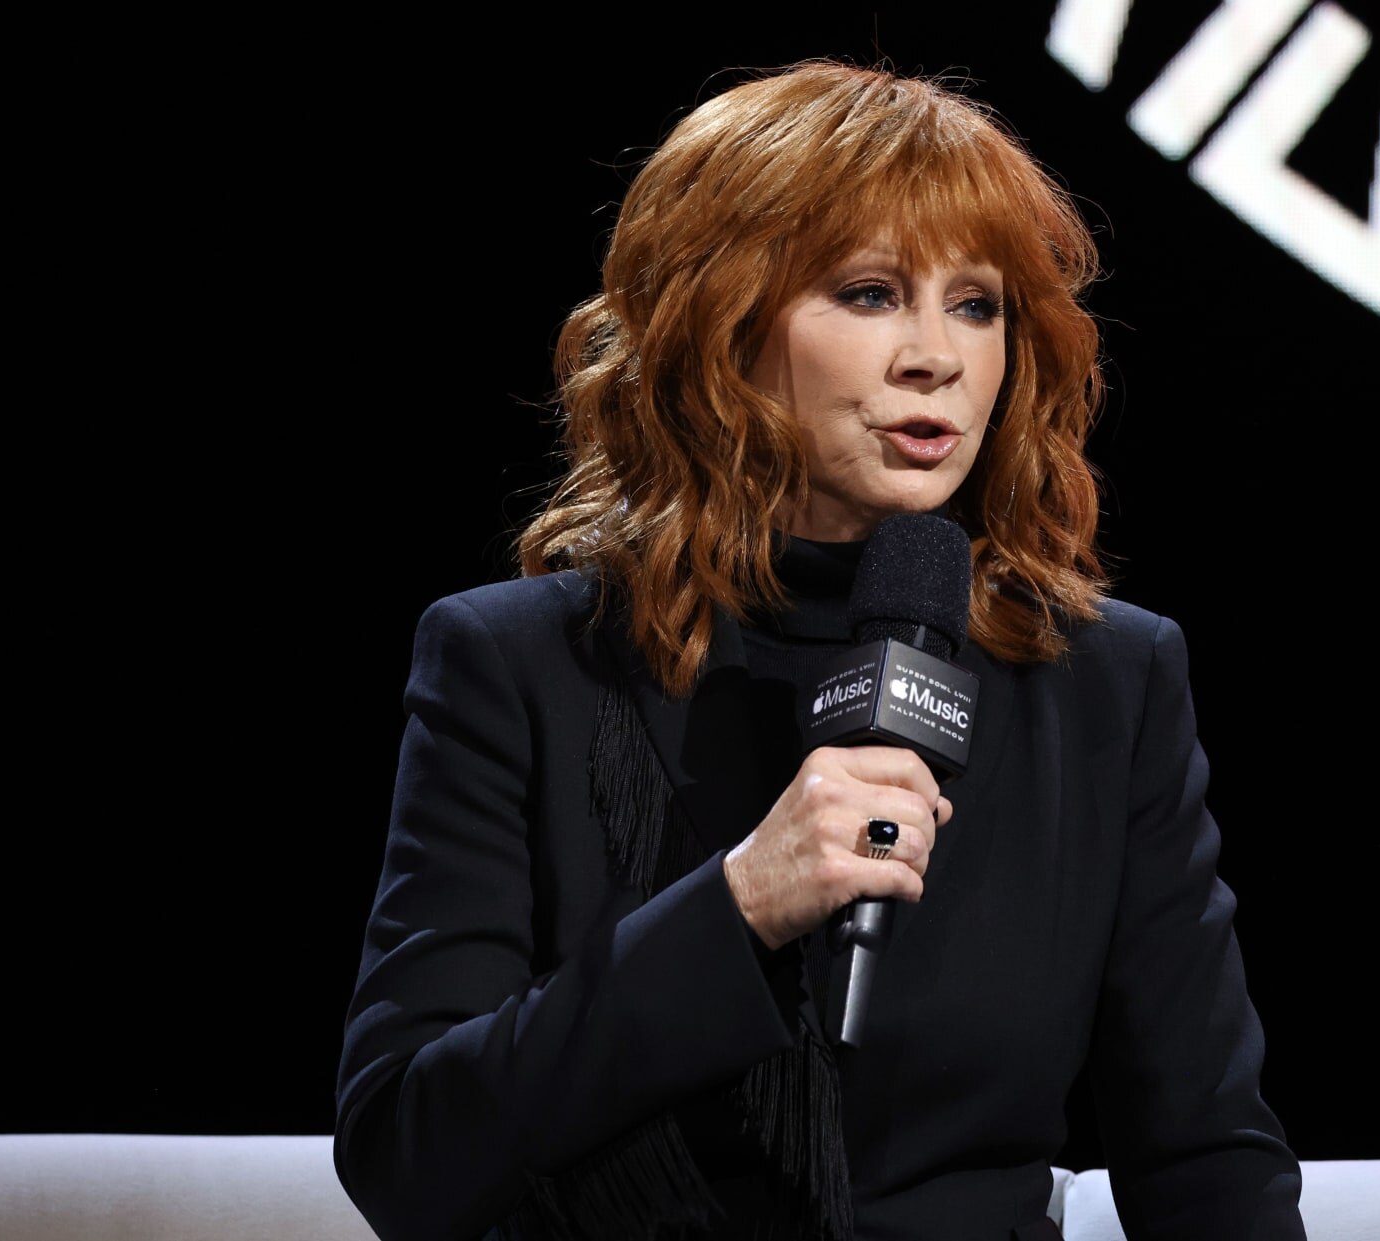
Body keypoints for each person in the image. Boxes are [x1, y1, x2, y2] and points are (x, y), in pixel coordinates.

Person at [333, 59, 1306, 1241]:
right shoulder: (522, 663)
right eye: (868, 292)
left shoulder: (1105, 682)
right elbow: (409, 1155)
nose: (935, 355)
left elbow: (1205, 1156)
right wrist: (740, 903)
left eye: (977, 303)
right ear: (723, 324)